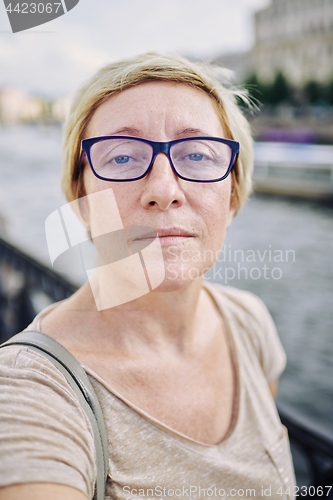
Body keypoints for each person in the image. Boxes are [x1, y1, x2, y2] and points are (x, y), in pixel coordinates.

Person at [0, 53, 296, 500]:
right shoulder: (29, 392)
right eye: (122, 157)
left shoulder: (249, 323)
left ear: (232, 196)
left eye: (197, 154)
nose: (163, 190)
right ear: (80, 198)